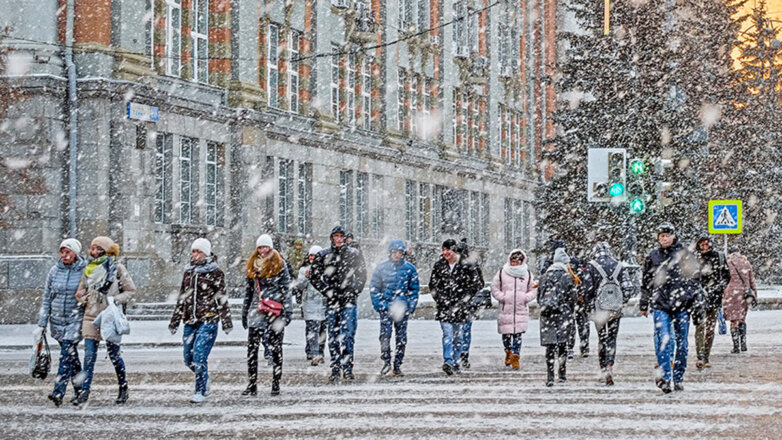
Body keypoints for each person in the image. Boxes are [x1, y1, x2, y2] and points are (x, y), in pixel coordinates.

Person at [74, 236, 136, 406]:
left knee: (115, 356)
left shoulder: (117, 268)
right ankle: (84, 393)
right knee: (89, 357)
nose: (93, 252)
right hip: (91, 317)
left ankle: (123, 388)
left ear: (107, 250)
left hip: (110, 316)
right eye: (92, 248)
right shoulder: (88, 268)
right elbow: (80, 292)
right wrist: (82, 298)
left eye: (97, 248)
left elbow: (130, 291)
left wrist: (114, 300)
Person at [169, 238, 233, 403]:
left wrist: (226, 321)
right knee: (188, 358)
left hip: (208, 319)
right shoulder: (188, 272)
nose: (195, 255)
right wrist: (175, 321)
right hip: (190, 320)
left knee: (199, 355)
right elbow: (182, 297)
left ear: (206, 253)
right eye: (193, 251)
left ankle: (200, 390)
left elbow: (222, 298)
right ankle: (204, 378)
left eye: (199, 251)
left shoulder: (215, 273)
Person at [639, 222, 701, 393]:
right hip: (661, 304)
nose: (664, 238)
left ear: (673, 236)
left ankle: (678, 376)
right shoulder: (653, 256)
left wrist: (688, 296)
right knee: (664, 340)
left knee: (682, 344)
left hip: (682, 305)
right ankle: (665, 377)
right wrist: (644, 303)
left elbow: (695, 278)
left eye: (667, 235)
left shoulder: (685, 254)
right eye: (661, 236)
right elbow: (646, 282)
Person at [310, 226, 367, 383]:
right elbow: (314, 276)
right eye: (336, 236)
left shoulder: (353, 254)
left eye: (341, 236)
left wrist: (355, 290)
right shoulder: (324, 255)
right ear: (332, 238)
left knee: (348, 334)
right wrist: (326, 290)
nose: (339, 239)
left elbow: (362, 274)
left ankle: (347, 367)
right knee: (333, 336)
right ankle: (335, 367)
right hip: (333, 300)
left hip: (348, 299)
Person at [35, 238, 88, 406]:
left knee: (66, 354)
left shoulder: (84, 270)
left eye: (68, 252)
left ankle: (58, 392)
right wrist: (42, 323)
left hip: (75, 319)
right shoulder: (54, 271)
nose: (64, 256)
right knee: (72, 358)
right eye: (62, 252)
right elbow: (47, 298)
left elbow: (89, 295)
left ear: (75, 253)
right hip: (57, 320)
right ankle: (81, 391)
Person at [241, 234, 293, 396]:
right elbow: (249, 292)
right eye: (260, 247)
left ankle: (276, 382)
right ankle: (252, 383)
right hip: (257, 311)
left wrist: (287, 311)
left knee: (276, 348)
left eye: (266, 247)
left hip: (275, 311)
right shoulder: (253, 266)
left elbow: (286, 289)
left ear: (271, 248)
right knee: (252, 349)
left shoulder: (280, 264)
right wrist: (245, 312)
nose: (263, 250)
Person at [578, 242, 634, 386]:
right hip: (615, 310)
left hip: (600, 310)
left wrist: (590, 306)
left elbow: (586, 289)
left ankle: (603, 368)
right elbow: (628, 288)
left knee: (602, 339)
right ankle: (610, 365)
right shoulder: (619, 265)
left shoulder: (592, 266)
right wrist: (620, 302)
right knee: (612, 338)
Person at [429, 239, 483, 376]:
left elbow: (476, 284)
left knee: (458, 336)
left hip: (461, 307)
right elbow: (433, 285)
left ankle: (456, 361)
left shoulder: (466, 265)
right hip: (445, 307)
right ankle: (448, 361)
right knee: (447, 334)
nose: (446, 252)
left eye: (448, 250)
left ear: (455, 251)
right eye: (444, 249)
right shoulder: (439, 265)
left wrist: (465, 299)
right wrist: (440, 299)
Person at [369, 239, 420, 377]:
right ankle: (386, 361)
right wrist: (380, 305)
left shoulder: (410, 269)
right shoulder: (381, 268)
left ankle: (397, 364)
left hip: (401, 308)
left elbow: (414, 290)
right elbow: (374, 287)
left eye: (399, 252)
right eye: (394, 252)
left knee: (401, 337)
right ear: (390, 253)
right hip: (387, 307)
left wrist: (410, 305)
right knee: (385, 336)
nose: (397, 255)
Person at [537, 248, 579, 386]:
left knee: (550, 346)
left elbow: (539, 297)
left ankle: (549, 376)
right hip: (563, 314)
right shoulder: (567, 277)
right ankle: (562, 374)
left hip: (547, 314)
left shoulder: (543, 277)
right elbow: (573, 297)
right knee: (562, 344)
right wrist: (569, 310)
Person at [540, 239, 588, 359]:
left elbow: (543, 277)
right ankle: (578, 346)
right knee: (578, 323)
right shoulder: (572, 261)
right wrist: (581, 293)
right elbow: (582, 276)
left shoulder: (550, 262)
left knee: (559, 325)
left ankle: (560, 346)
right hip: (571, 296)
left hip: (557, 298)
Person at [490, 249, 536, 370]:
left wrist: (525, 297)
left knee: (518, 334)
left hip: (520, 309)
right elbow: (494, 287)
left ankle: (516, 356)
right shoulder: (502, 272)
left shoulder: (527, 274)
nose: (514, 263)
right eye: (513, 260)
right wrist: (502, 297)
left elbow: (533, 289)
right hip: (506, 309)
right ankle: (508, 352)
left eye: (517, 261)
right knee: (506, 334)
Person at [694, 234, 731, 368]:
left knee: (710, 329)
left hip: (714, 298)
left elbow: (727, 276)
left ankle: (706, 356)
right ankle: (700, 356)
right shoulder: (695, 259)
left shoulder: (719, 257)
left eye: (706, 244)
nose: (704, 247)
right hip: (699, 299)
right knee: (700, 328)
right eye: (701, 245)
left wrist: (719, 287)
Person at [455, 239, 485, 369]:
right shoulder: (467, 265)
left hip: (463, 302)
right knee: (463, 329)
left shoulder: (470, 265)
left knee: (462, 329)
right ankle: (462, 354)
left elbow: (479, 283)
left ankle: (461, 354)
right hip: (462, 302)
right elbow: (480, 283)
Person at [297, 245, 327, 366]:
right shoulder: (303, 270)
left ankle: (318, 351)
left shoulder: (326, 269)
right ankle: (315, 354)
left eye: (315, 256)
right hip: (309, 303)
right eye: (311, 255)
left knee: (322, 329)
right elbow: (300, 286)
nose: (312, 258)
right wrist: (307, 278)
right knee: (312, 328)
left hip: (323, 303)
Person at [723, 248, 757, 354]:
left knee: (733, 320)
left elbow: (722, 279)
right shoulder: (746, 262)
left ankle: (736, 346)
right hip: (744, 294)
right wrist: (755, 294)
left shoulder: (727, 262)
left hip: (730, 294)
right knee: (742, 318)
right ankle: (743, 344)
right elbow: (752, 280)